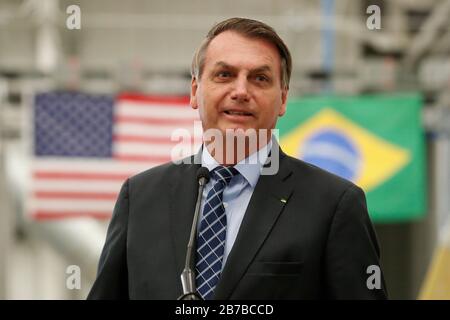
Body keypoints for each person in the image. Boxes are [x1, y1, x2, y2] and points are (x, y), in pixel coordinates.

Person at [88, 17, 388, 300]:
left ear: (283, 98)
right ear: (195, 91)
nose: (241, 91)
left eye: (259, 78)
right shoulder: (140, 198)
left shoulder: (334, 205)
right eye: (224, 75)